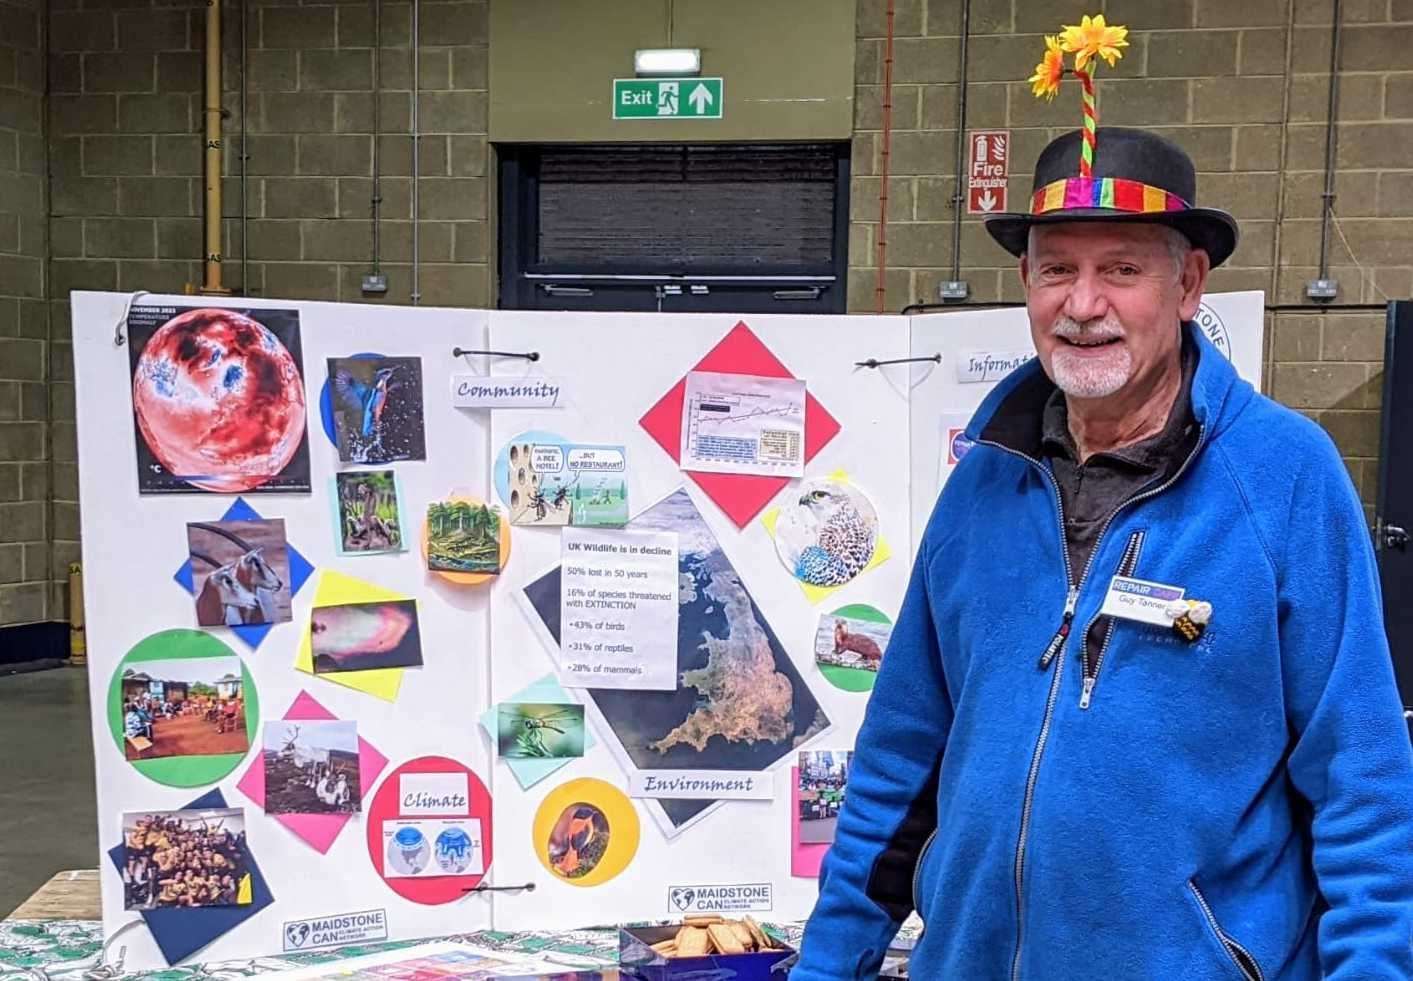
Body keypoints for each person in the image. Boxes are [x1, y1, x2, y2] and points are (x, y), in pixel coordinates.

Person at [794, 127, 1413, 980]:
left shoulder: (1284, 478)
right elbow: (902, 758)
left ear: (1187, 283)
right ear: (1025, 283)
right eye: (1057, 270)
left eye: (1120, 269)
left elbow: (1361, 780)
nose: (1083, 305)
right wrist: (827, 964)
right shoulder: (982, 486)